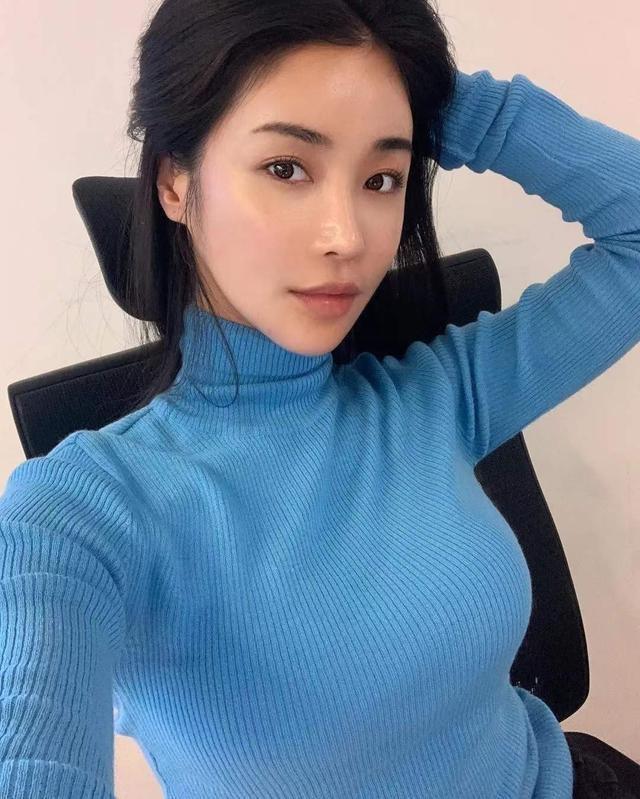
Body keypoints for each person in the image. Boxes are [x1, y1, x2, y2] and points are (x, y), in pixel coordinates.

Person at [1, 0, 639, 797]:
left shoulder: (438, 398)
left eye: (382, 177)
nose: (348, 235)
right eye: (286, 168)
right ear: (173, 178)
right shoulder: (81, 510)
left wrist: (440, 96)